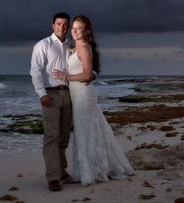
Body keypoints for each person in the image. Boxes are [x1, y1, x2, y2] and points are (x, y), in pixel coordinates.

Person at [52, 15, 134, 185]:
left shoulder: (84, 48)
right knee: (90, 130)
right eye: (73, 28)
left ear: (86, 31)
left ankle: (88, 173)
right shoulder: (74, 48)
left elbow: (88, 74)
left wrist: (66, 76)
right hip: (77, 95)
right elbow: (91, 73)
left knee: (84, 131)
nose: (74, 31)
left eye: (79, 28)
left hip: (83, 94)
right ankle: (94, 167)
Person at [30, 12, 80, 191]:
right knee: (51, 136)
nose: (62, 27)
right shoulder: (42, 45)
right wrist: (41, 94)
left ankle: (62, 171)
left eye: (65, 24)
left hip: (68, 94)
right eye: (59, 24)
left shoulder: (70, 46)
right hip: (50, 95)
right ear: (53, 25)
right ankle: (53, 178)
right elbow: (35, 71)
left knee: (64, 137)